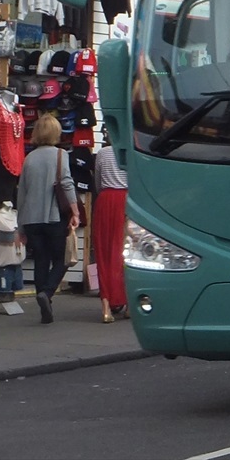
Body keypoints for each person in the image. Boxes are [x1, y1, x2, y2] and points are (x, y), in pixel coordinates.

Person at [16, 112, 79, 324]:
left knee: (40, 260)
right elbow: (67, 183)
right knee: (62, 259)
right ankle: (48, 293)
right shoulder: (60, 155)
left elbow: (21, 193)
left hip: (31, 219)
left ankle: (44, 303)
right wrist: (75, 211)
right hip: (53, 217)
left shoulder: (28, 159)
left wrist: (20, 227)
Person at [91, 130, 129, 322]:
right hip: (125, 200)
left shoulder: (102, 153)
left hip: (105, 201)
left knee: (104, 253)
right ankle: (129, 303)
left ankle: (106, 307)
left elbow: (97, 183)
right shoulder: (128, 151)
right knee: (126, 251)